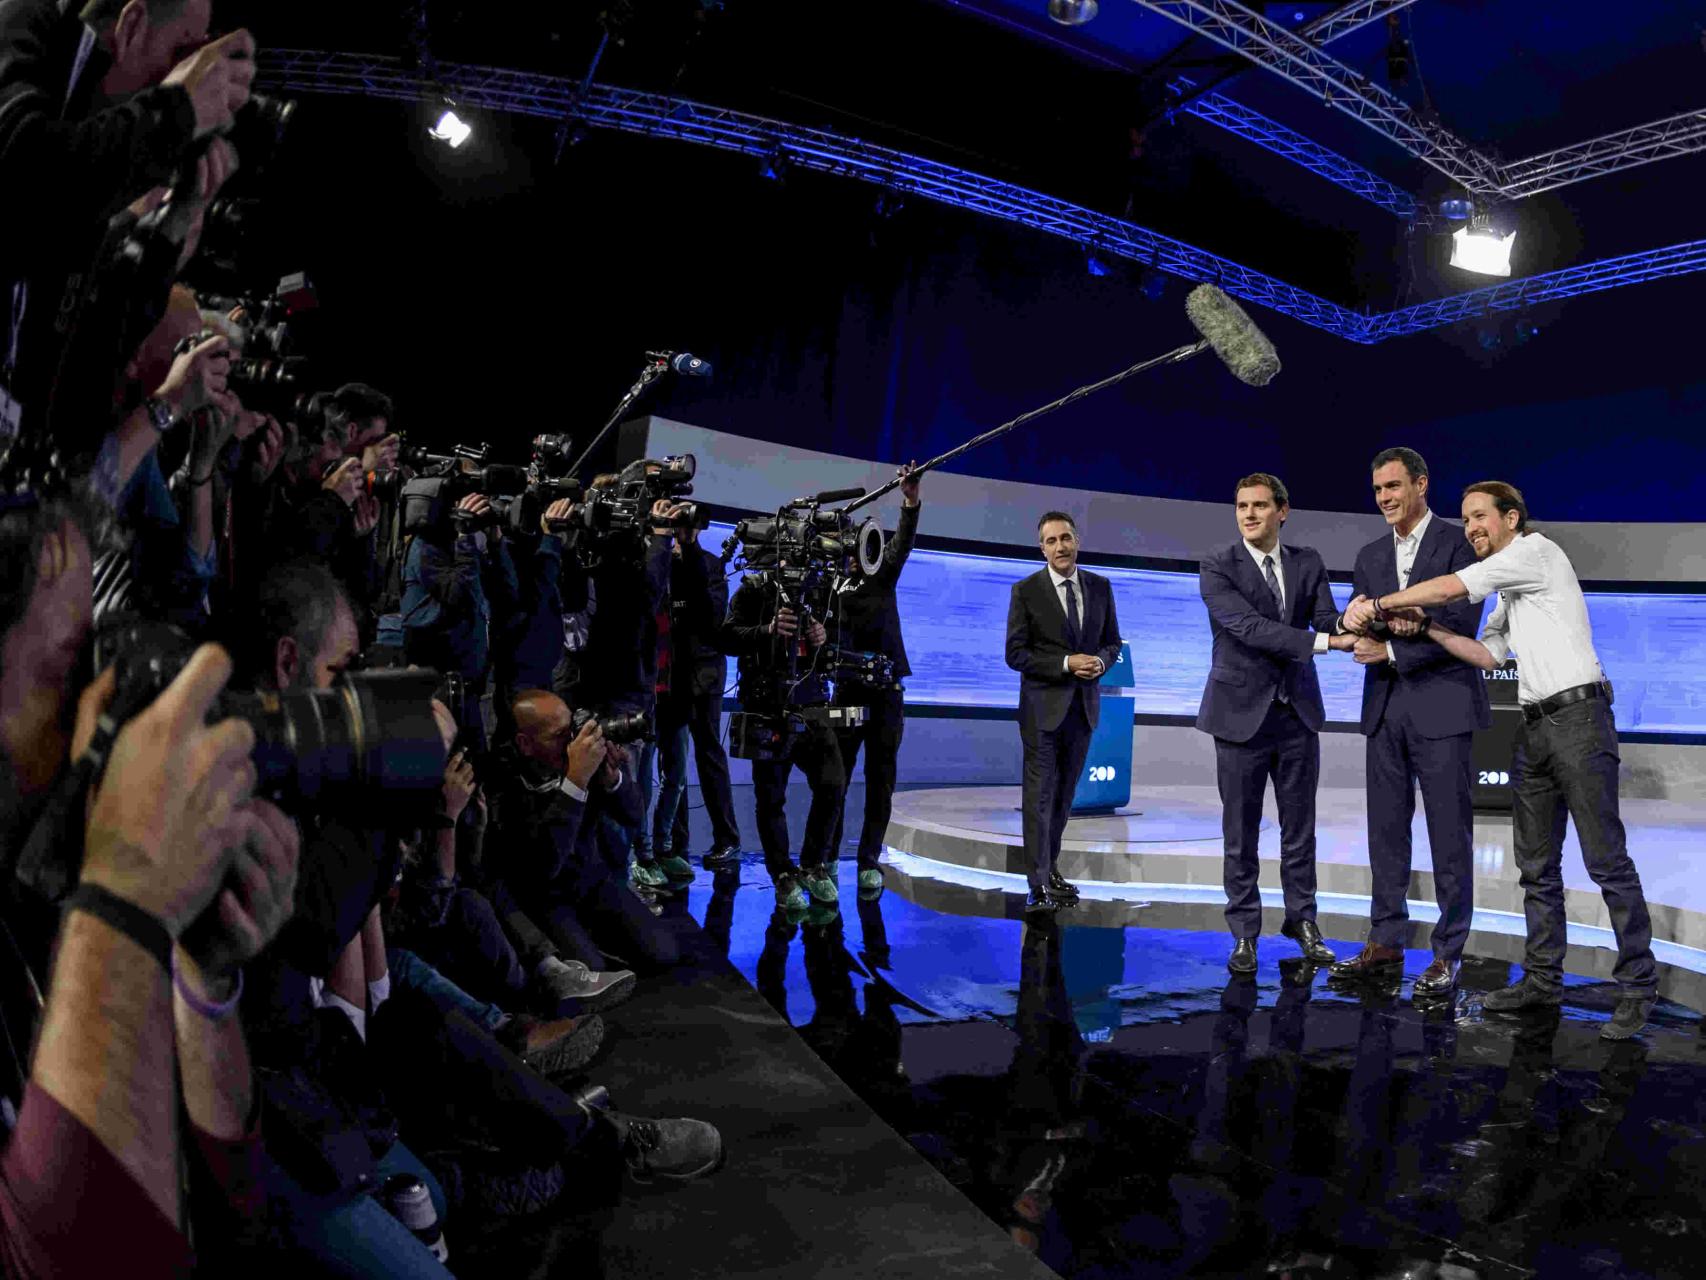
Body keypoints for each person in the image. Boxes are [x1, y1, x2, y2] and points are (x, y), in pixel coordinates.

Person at [1356, 480, 1658, 1040]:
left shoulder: (1536, 554)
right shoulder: (1510, 592)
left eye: (1479, 518)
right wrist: (1427, 630)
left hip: (1580, 724)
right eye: (1466, 519)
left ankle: (1638, 987)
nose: (1470, 528)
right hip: (1535, 730)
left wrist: (1379, 605)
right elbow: (1486, 653)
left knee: (1606, 863)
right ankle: (1543, 982)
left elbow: (1450, 588)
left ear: (1512, 519)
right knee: (1536, 869)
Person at [1329, 447, 1488, 998]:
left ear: (1421, 484)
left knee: (1449, 837)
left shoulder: (1457, 544)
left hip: (1443, 707)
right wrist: (1348, 613)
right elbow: (1359, 617)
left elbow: (1459, 621)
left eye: (1393, 487)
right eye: (1377, 491)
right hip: (1385, 712)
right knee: (1386, 835)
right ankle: (1386, 939)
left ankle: (1448, 954)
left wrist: (1393, 652)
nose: (1385, 498)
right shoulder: (1371, 553)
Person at [1195, 473, 1354, 972]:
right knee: (1240, 832)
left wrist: (1355, 621)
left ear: (1282, 511)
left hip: (1297, 715)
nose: (1248, 514)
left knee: (1299, 829)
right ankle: (1245, 932)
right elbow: (1249, 629)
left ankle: (1302, 920)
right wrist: (1325, 643)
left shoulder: (1307, 562)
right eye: (1242, 505)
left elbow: (1326, 616)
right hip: (1239, 716)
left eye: (1259, 505)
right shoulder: (1218, 565)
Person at [1004, 511, 1122, 913]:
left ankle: (1049, 867)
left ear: (1077, 541)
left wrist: (1102, 664)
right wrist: (1066, 663)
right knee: (1039, 797)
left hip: (1083, 709)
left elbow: (1112, 642)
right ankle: (1036, 884)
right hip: (1042, 712)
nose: (1060, 546)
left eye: (1066, 538)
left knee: (1063, 798)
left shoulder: (1100, 587)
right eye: (1051, 541)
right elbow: (1015, 654)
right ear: (1042, 548)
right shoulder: (1025, 591)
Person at [720, 566, 847, 911]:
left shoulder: (821, 589)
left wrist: (824, 636)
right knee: (771, 797)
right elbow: (727, 638)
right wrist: (768, 630)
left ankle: (812, 864)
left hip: (813, 705)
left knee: (833, 784)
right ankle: (782, 875)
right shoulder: (753, 588)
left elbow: (836, 641)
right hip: (767, 706)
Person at [830, 462, 921, 897]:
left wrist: (910, 500)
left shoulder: (881, 575)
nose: (855, 550)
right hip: (846, 692)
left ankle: (868, 861)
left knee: (880, 779)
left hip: (886, 694)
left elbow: (901, 545)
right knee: (837, 777)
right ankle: (826, 855)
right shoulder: (829, 587)